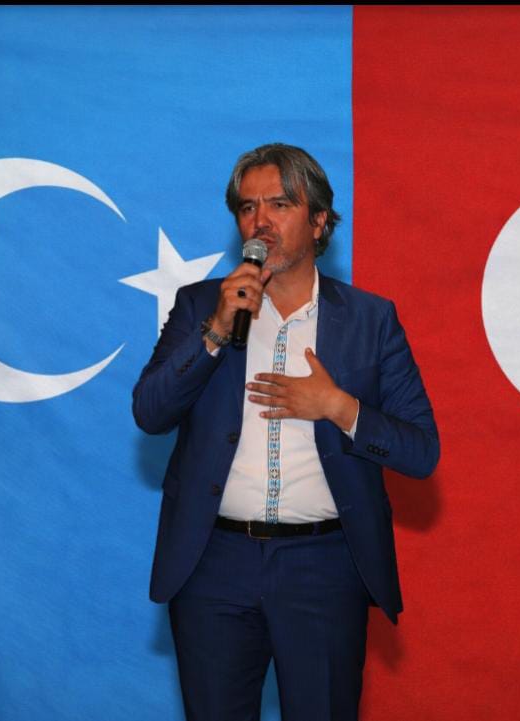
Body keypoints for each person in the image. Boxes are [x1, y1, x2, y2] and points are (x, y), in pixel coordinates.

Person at [132, 143, 439, 721]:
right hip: (213, 565)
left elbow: (421, 452)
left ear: (319, 221)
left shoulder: (370, 320)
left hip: (323, 567)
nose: (261, 221)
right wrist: (215, 332)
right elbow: (150, 413)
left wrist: (339, 407)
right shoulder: (201, 306)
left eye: (279, 204)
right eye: (247, 208)